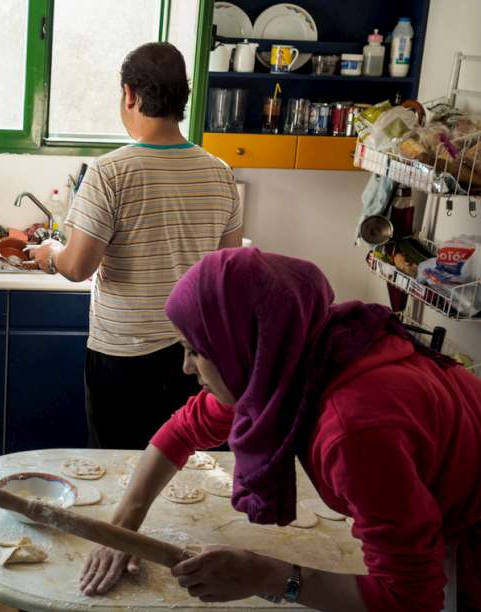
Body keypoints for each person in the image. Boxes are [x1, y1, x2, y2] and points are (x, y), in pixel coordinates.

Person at [79, 247, 481, 611]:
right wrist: (122, 526)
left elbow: (409, 598)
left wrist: (265, 576)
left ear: (242, 345)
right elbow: (184, 430)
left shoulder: (354, 430)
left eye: (195, 350)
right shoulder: (294, 355)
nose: (186, 367)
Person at [30, 42, 243, 450]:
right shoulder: (220, 174)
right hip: (195, 358)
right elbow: (226, 270)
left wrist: (49, 256)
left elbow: (77, 267)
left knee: (117, 472)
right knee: (183, 474)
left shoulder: (110, 172)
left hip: (124, 355)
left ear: (130, 94)